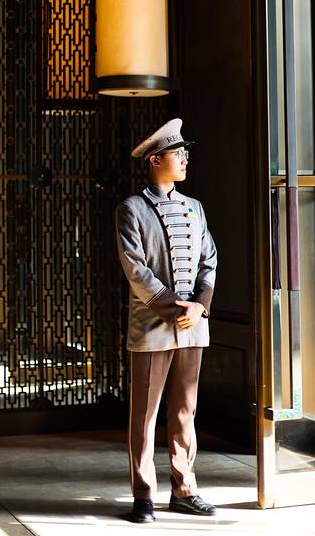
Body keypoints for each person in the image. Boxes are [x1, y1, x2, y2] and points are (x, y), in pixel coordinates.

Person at [115, 118, 218, 523]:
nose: (185, 159)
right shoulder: (132, 209)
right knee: (145, 415)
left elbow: (209, 260)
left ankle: (184, 489)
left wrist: (200, 306)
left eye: (185, 153)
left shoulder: (195, 208)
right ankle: (143, 495)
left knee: (185, 412)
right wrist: (176, 308)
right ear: (156, 159)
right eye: (178, 153)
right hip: (152, 326)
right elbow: (136, 269)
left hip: (193, 325)